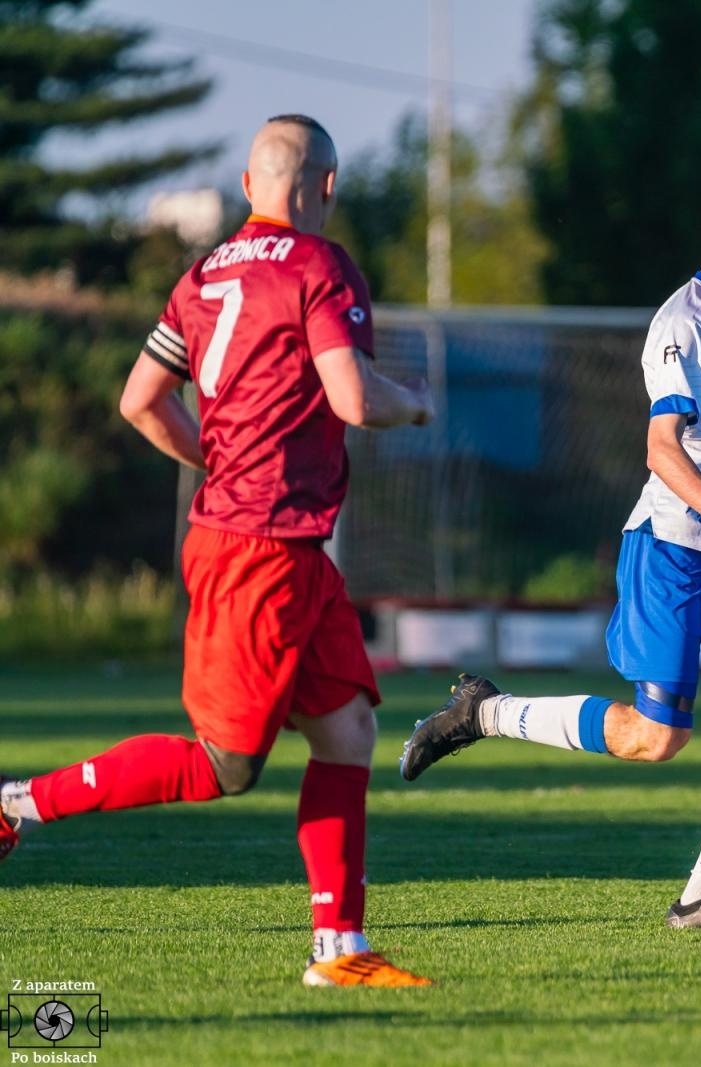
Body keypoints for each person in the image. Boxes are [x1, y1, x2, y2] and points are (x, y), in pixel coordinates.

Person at [0, 115, 435, 986]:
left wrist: (218, 456)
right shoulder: (320, 263)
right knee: (222, 765)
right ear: (327, 187)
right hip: (258, 549)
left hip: (283, 545)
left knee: (347, 729)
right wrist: (416, 401)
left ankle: (338, 949)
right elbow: (353, 398)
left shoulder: (200, 276)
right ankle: (15, 803)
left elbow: (139, 400)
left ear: (247, 186)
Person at [400, 154, 701, 929]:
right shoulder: (683, 322)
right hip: (670, 547)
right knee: (656, 737)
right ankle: (485, 712)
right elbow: (662, 449)